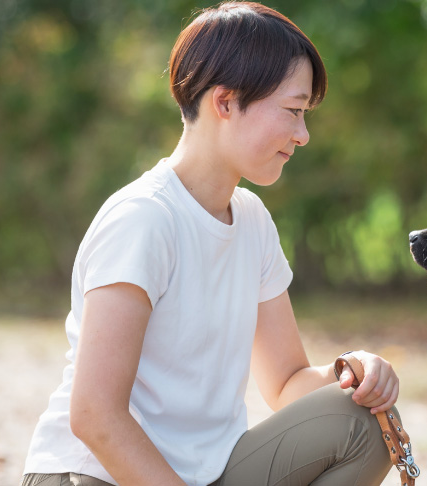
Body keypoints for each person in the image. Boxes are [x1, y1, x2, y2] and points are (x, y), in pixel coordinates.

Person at [21, 3, 401, 485]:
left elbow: (285, 384)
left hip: (206, 474)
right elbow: (96, 417)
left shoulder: (253, 222)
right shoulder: (143, 220)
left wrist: (356, 369)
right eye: (293, 111)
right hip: (96, 476)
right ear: (224, 102)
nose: (303, 135)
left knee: (362, 422)